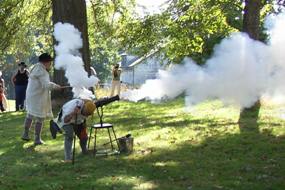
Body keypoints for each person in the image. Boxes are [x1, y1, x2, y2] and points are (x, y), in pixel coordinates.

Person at [21, 53, 61, 145]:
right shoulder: (42, 71)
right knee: (40, 118)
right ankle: (37, 139)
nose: (50, 64)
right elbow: (46, 85)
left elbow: (44, 82)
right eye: (50, 62)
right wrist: (56, 86)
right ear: (46, 62)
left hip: (31, 95)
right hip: (37, 97)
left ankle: (25, 134)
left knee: (30, 115)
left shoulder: (35, 67)